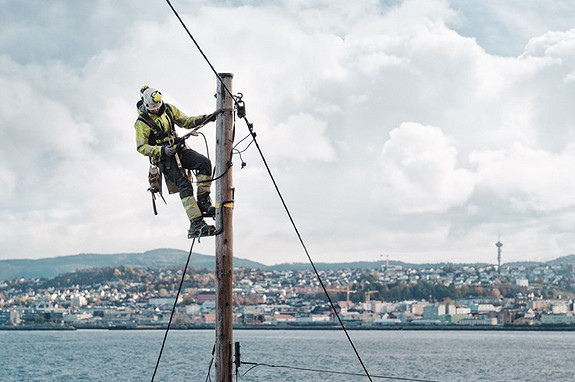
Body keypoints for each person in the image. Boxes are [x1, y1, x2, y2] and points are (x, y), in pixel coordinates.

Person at [134, 85, 219, 236]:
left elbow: (186, 121)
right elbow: (141, 147)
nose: (155, 110)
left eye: (156, 107)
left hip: (178, 148)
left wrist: (206, 118)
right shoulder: (141, 123)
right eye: (152, 109)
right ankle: (196, 223)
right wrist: (161, 150)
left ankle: (204, 203)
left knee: (203, 163)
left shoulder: (169, 109)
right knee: (184, 184)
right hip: (164, 158)